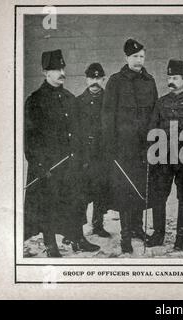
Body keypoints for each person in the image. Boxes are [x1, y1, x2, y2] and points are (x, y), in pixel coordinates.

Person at [24, 49, 100, 257]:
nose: (61, 72)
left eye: (62, 68)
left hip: (71, 164)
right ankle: (51, 245)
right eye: (56, 69)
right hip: (49, 167)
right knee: (49, 204)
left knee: (75, 201)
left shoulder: (69, 98)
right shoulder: (35, 100)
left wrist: (83, 158)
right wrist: (40, 166)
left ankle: (78, 239)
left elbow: (80, 132)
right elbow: (30, 139)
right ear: (45, 73)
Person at [101, 38, 158, 254]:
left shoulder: (149, 81)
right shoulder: (115, 81)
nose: (138, 60)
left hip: (144, 148)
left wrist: (153, 141)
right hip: (122, 149)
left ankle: (136, 228)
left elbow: (155, 112)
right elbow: (107, 116)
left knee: (141, 189)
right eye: (135, 57)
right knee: (125, 192)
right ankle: (125, 236)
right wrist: (111, 147)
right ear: (126, 58)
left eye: (142, 56)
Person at [147, 59, 183, 250]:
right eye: (169, 77)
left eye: (175, 78)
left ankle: (180, 238)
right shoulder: (161, 103)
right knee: (158, 196)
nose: (171, 81)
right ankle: (158, 234)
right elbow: (152, 131)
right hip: (163, 158)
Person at [77, 62, 111, 237]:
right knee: (81, 193)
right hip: (84, 156)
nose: (95, 82)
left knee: (101, 191)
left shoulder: (110, 101)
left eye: (98, 78)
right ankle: (76, 231)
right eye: (91, 78)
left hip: (102, 155)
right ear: (86, 80)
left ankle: (98, 225)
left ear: (104, 79)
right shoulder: (77, 102)